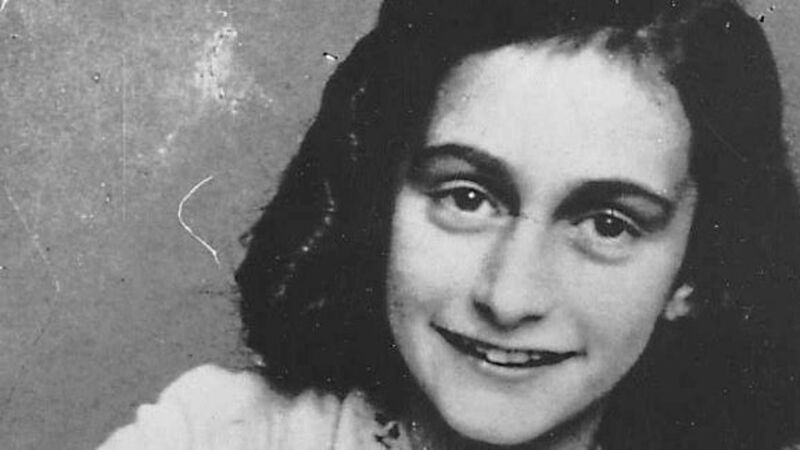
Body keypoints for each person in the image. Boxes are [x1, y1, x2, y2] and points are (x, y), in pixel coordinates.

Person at [98, 0, 800, 448]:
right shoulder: (218, 433)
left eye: (609, 224)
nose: (509, 297)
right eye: (467, 198)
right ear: (380, 201)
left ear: (696, 271)